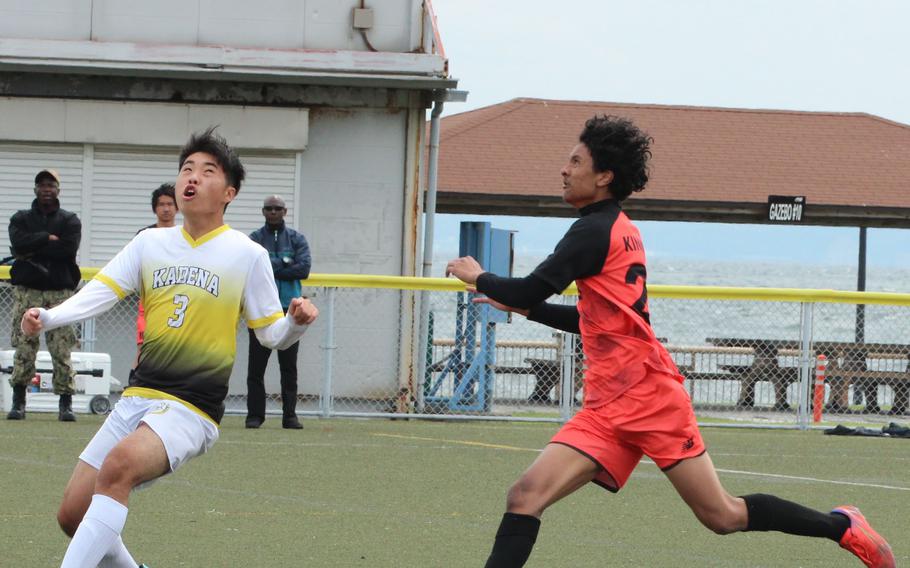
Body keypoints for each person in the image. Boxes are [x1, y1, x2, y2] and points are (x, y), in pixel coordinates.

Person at [445, 116, 894, 568]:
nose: (564, 169)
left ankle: (843, 526)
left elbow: (527, 289)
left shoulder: (594, 231)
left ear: (604, 177)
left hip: (650, 399)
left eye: (575, 161)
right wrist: (527, 308)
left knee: (722, 515)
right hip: (606, 406)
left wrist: (478, 275)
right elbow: (595, 321)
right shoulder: (614, 227)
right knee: (525, 496)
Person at [20, 127, 319, 568]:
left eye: (206, 170)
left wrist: (293, 324)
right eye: (186, 169)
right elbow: (102, 290)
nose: (191, 178)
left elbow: (269, 334)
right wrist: (50, 316)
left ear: (229, 192)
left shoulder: (247, 254)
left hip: (191, 409)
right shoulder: (150, 243)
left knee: (119, 466)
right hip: (137, 399)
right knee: (73, 515)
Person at [6, 168, 82, 422]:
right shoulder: (21, 219)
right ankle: (18, 400)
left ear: (58, 190)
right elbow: (18, 244)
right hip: (28, 291)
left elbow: (66, 249)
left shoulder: (70, 220)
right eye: (42, 185)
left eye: (51, 185)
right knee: (24, 347)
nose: (46, 189)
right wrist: (45, 238)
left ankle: (66, 403)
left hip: (60, 292)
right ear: (35, 189)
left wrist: (34, 245)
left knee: (61, 349)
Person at [245, 195, 312, 429]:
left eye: (277, 209)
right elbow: (249, 268)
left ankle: (290, 416)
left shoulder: (296, 239)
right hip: (260, 309)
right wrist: (285, 266)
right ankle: (255, 415)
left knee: (289, 367)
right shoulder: (254, 239)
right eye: (268, 208)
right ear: (263, 211)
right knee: (256, 368)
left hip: (289, 309)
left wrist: (271, 269)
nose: (273, 212)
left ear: (285, 211)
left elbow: (304, 269)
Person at [132, 183, 178, 369]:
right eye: (161, 204)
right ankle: (134, 383)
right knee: (144, 345)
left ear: (177, 207)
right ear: (155, 208)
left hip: (176, 299)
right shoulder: (144, 236)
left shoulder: (184, 234)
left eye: (170, 204)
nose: (166, 209)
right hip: (150, 299)